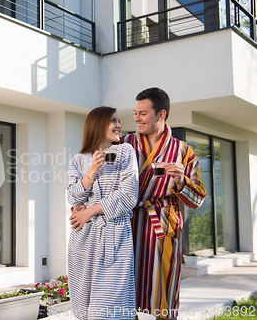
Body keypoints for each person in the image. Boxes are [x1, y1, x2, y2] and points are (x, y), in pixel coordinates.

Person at [121, 87, 206, 320]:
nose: (137, 118)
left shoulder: (183, 151)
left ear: (161, 115)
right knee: (124, 288)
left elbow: (198, 198)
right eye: (135, 112)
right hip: (127, 224)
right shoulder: (124, 144)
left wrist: (180, 180)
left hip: (162, 225)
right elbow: (102, 177)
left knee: (164, 288)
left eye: (143, 113)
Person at [67, 106, 139, 320]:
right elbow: (73, 198)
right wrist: (91, 171)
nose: (119, 125)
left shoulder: (125, 152)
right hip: (83, 241)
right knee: (85, 310)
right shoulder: (78, 161)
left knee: (107, 312)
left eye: (119, 121)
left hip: (115, 239)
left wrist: (90, 211)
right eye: (113, 121)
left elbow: (129, 195)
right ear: (97, 125)